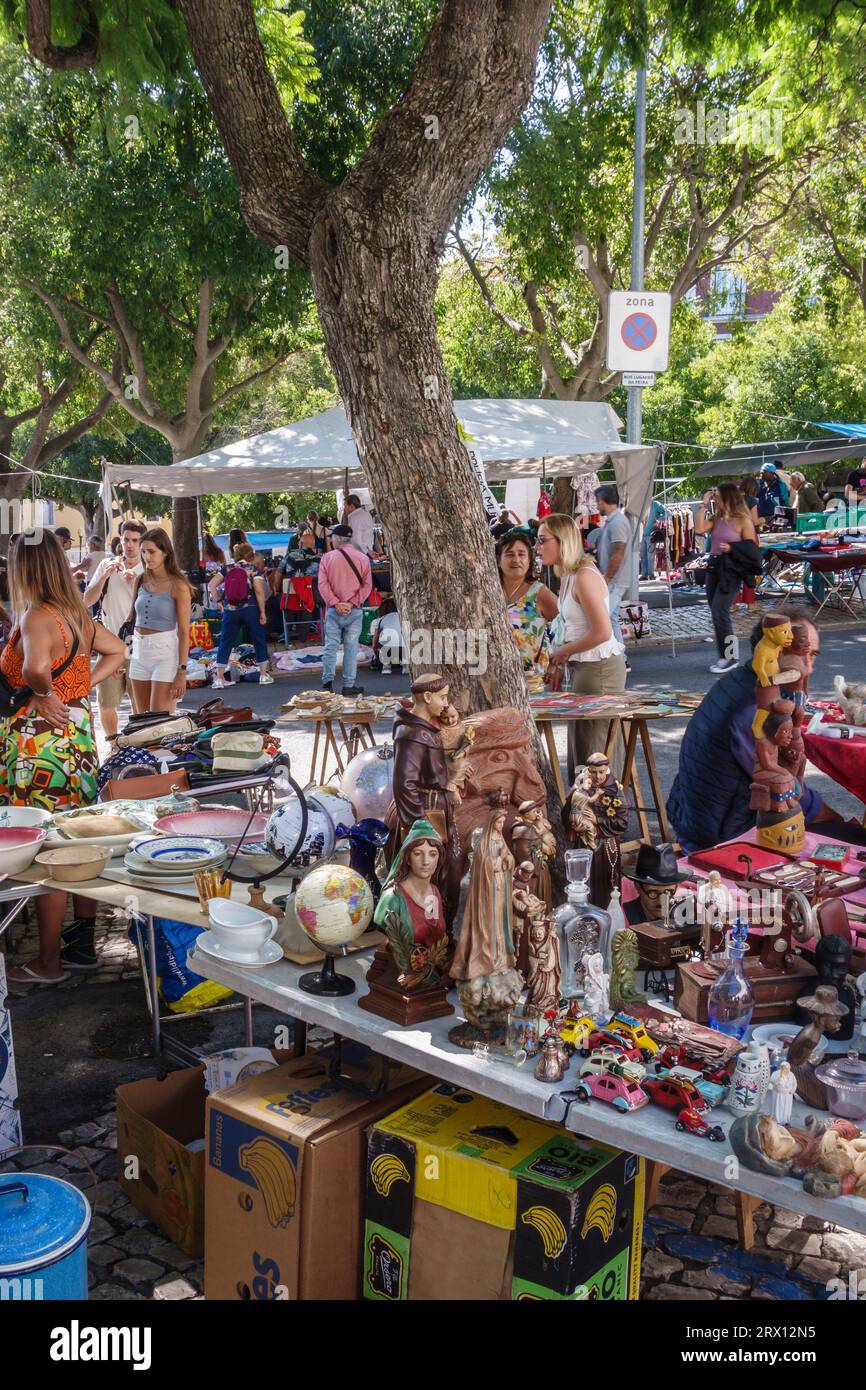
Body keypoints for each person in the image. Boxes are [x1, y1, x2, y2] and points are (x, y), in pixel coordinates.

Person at [1, 530, 126, 983]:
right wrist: (79, 688)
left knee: (47, 849)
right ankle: (81, 944)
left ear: (25, 568)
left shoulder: (37, 616)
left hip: (40, 744)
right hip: (77, 739)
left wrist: (44, 692)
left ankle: (49, 962)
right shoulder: (74, 614)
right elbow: (118, 651)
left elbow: (35, 667)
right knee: (77, 841)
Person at [667, 609, 866, 852]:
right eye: (797, 653)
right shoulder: (755, 706)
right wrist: (833, 818)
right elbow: (784, 785)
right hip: (721, 834)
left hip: (699, 818)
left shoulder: (742, 680)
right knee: (855, 841)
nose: (808, 667)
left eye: (812, 655)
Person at [539, 512, 626, 782]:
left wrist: (560, 653)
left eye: (543, 540)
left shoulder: (584, 575)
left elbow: (602, 631)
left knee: (595, 747)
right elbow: (573, 630)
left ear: (562, 541)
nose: (537, 547)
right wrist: (559, 661)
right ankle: (586, 813)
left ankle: (601, 815)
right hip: (584, 667)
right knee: (583, 743)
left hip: (599, 668)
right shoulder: (569, 575)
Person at [82, 518, 146, 738]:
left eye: (135, 541)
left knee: (140, 705)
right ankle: (112, 745)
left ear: (142, 542)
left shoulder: (148, 568)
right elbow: (87, 601)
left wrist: (134, 584)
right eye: (126, 539)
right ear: (120, 539)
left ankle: (141, 746)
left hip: (141, 644)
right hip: (110, 645)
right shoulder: (107, 565)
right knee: (107, 702)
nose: (129, 545)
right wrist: (104, 577)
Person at [128, 527, 193, 714]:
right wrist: (125, 657)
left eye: (152, 552)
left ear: (165, 552)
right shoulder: (140, 580)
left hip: (164, 652)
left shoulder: (178, 585)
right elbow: (130, 622)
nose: (147, 556)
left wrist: (181, 671)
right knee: (141, 720)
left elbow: (183, 632)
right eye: (144, 552)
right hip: (138, 651)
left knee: (160, 721)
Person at [696, 483, 759, 674]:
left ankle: (730, 657)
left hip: (730, 569)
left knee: (720, 611)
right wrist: (704, 504)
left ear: (727, 497)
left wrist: (732, 548)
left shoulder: (742, 520)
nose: (714, 497)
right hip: (714, 566)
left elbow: (752, 549)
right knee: (717, 613)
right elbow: (699, 528)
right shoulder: (717, 518)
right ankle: (725, 655)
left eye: (717, 495)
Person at [496, 531, 558, 687]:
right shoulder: (490, 591)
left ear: (530, 560)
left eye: (521, 554)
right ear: (498, 560)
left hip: (530, 681)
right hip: (494, 678)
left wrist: (556, 662)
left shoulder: (539, 593)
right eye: (509, 554)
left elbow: (568, 623)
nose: (516, 559)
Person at [208, 542, 273, 688]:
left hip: (230, 610)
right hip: (250, 608)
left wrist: (219, 601)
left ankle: (219, 679)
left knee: (225, 642)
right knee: (258, 639)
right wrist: (262, 612)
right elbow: (258, 590)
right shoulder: (253, 569)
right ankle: (263, 675)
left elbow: (211, 584)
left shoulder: (227, 569)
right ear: (251, 555)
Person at [317, 524, 372, 694]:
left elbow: (322, 584)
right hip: (354, 610)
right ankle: (348, 685)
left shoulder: (327, 558)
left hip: (334, 609)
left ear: (336, 539)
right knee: (351, 647)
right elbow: (367, 585)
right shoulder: (363, 558)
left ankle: (327, 683)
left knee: (330, 646)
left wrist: (335, 602)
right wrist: (352, 602)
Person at [589, 484, 631, 646]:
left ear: (601, 501)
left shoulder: (617, 522)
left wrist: (606, 578)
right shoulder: (613, 521)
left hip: (615, 580)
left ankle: (616, 657)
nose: (596, 504)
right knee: (611, 619)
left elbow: (618, 552)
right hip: (613, 579)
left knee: (601, 617)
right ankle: (621, 657)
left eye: (597, 501)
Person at [370, 596, 406, 675]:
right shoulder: (403, 617)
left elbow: (375, 637)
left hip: (387, 649)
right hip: (403, 648)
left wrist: (375, 651)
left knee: (383, 643)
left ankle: (386, 666)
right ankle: (405, 665)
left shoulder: (381, 619)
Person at [640, 497, 665, 579]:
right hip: (641, 534)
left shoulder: (655, 504)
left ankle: (651, 574)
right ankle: (644, 574)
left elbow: (667, 512)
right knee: (643, 556)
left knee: (650, 556)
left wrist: (658, 520)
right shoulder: (640, 504)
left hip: (651, 534)